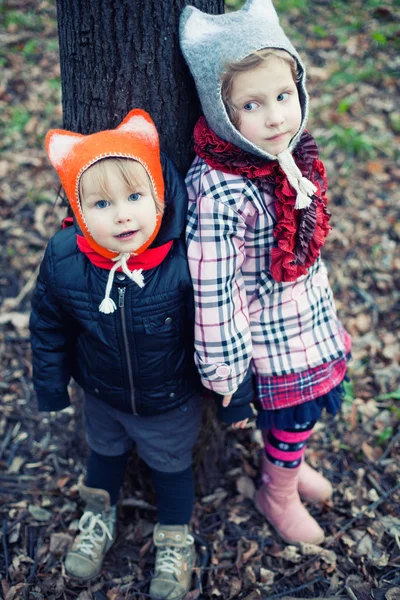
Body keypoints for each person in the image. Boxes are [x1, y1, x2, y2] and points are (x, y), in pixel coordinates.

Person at [179, 0, 352, 545]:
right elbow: (213, 292)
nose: (277, 116)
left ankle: (289, 469)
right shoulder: (221, 190)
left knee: (301, 419)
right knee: (295, 415)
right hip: (268, 340)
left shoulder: (285, 155)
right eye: (252, 105)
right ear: (220, 112)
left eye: (283, 96)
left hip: (304, 317)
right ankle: (275, 492)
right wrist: (228, 377)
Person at [29, 109, 201, 599]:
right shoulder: (65, 258)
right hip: (100, 392)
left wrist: (234, 393)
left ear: (158, 197)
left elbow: (221, 325)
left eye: (134, 196)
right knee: (102, 456)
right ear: (80, 212)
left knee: (172, 469)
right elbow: (48, 324)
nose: (123, 214)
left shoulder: (185, 260)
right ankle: (96, 519)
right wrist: (50, 385)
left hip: (169, 399)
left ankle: (173, 539)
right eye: (102, 203)